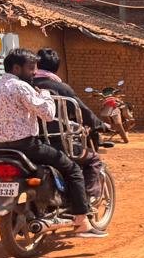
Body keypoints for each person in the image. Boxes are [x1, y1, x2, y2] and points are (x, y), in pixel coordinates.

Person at [0, 48, 105, 238]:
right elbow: (48, 114)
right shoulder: (21, 87)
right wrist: (45, 95)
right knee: (72, 169)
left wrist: (1, 127)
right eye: (31, 68)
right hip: (27, 147)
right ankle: (82, 221)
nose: (34, 73)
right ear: (16, 68)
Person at [32, 48, 106, 198]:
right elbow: (83, 111)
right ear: (56, 67)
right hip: (59, 144)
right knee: (93, 159)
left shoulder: (27, 86)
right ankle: (89, 198)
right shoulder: (62, 88)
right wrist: (100, 125)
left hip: (32, 142)